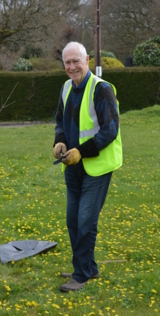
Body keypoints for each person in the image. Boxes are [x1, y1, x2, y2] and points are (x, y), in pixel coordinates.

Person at [53, 42, 123, 292]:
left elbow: (111, 130)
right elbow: (59, 120)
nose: (72, 67)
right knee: (73, 220)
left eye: (76, 61)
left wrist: (81, 152)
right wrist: (59, 141)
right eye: (67, 62)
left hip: (97, 167)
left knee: (85, 221)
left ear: (88, 60)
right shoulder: (65, 87)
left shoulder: (101, 89)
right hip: (71, 166)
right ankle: (88, 267)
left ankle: (80, 274)